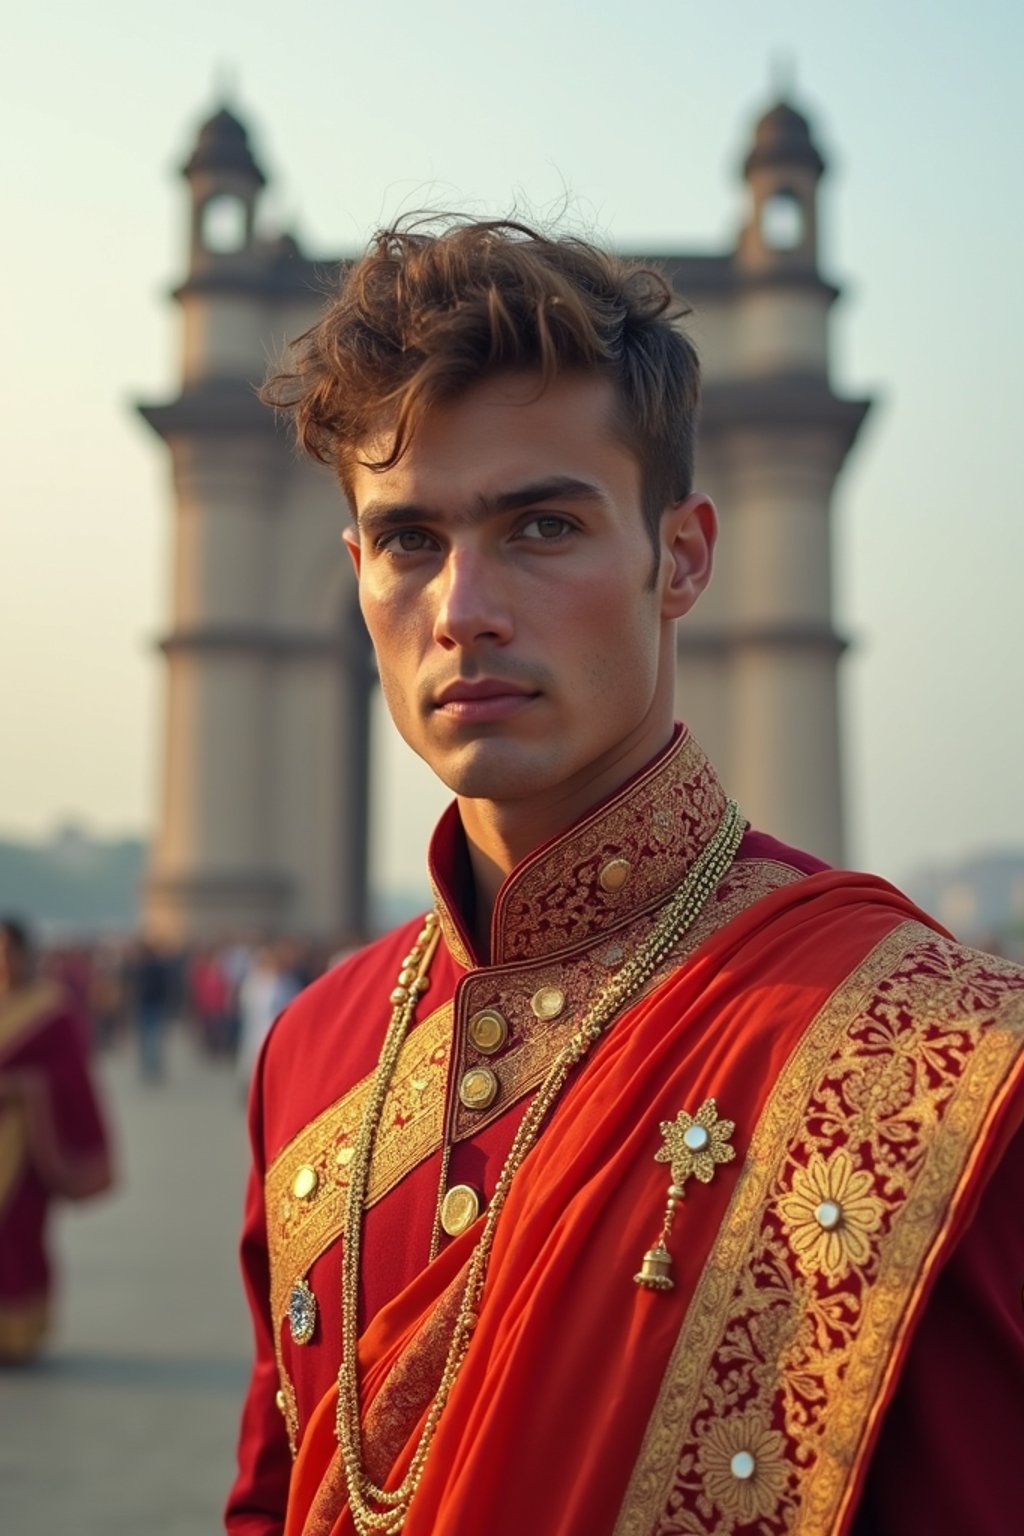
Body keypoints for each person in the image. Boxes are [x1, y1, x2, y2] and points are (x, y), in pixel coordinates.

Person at [226, 220, 1024, 1536]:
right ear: (359, 572)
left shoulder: (929, 1057)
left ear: (686, 556)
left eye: (542, 525)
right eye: (409, 539)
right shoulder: (315, 1057)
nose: (464, 605)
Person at [0, 917, 113, 1362]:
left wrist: (24, 1088)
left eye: (9, 950)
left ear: (26, 955)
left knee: (18, 1233)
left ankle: (20, 1334)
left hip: (27, 1145)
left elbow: (71, 1077)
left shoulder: (53, 1010)